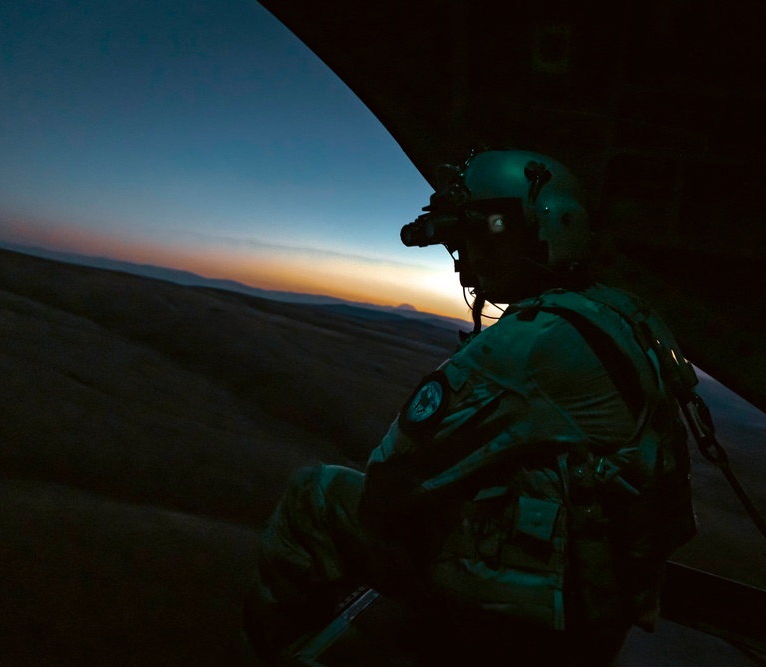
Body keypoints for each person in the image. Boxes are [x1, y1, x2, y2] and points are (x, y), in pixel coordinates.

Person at [241, 148, 698, 665]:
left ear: (531, 229)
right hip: (600, 604)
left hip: (540, 620)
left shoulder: (532, 343)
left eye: (480, 236)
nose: (467, 260)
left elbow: (392, 476)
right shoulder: (621, 315)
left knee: (315, 494)